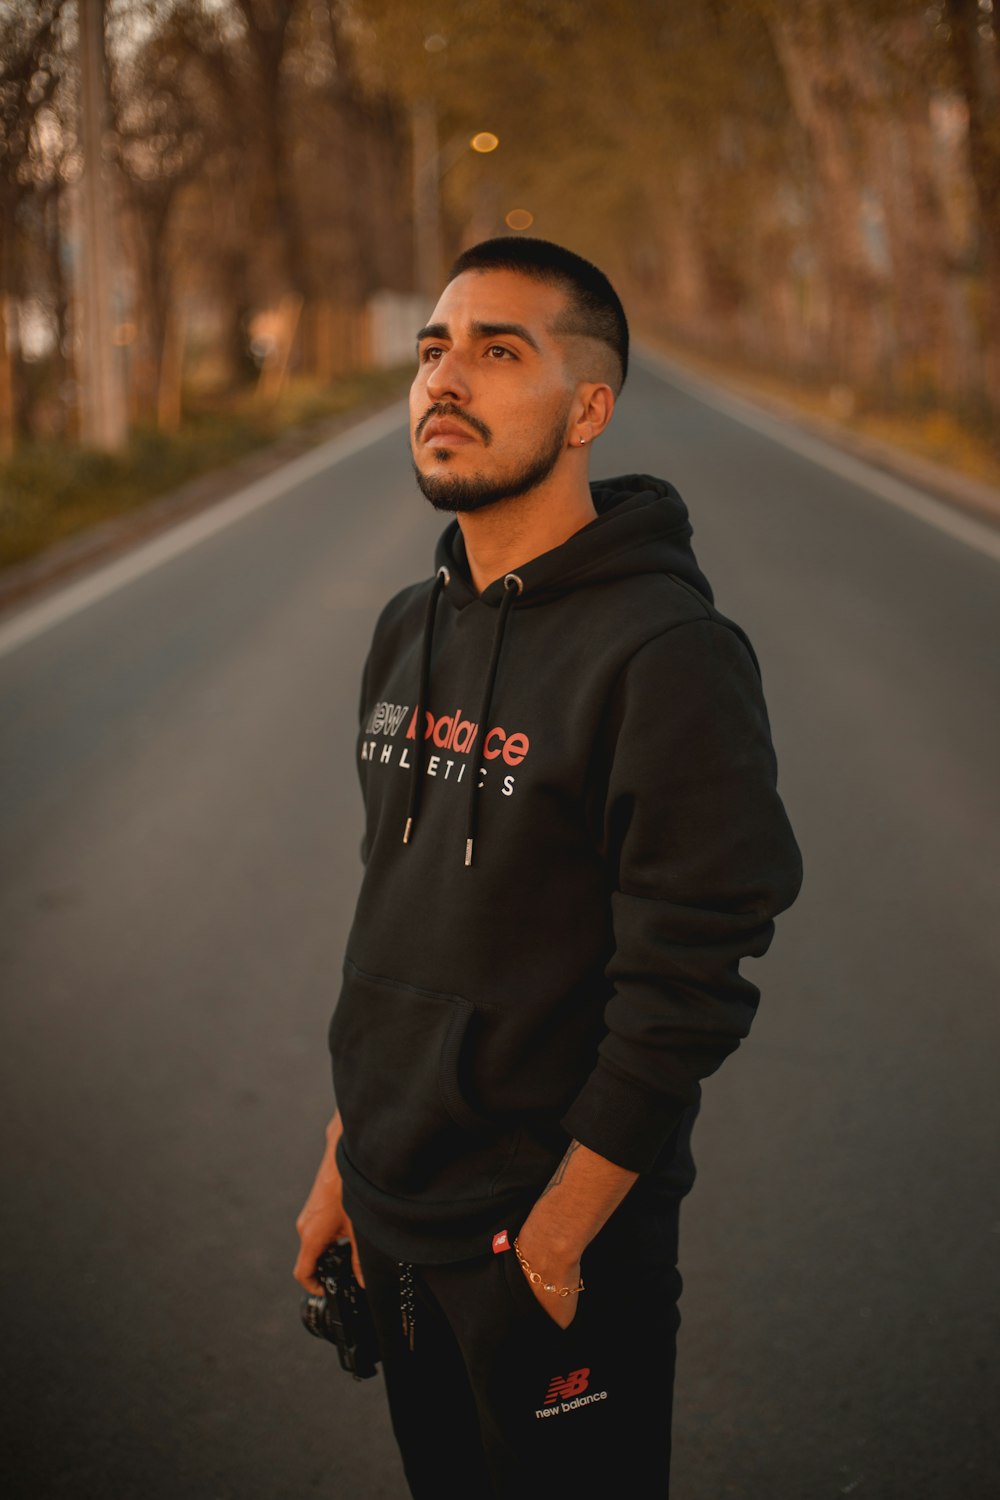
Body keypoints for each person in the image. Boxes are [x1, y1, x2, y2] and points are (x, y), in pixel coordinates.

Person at [294, 236, 802, 1498]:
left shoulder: (667, 652)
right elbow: (402, 924)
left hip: (546, 1238)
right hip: (394, 1208)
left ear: (589, 408)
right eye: (433, 349)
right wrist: (341, 1165)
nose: (444, 380)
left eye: (497, 351)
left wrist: (562, 1233)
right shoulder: (409, 628)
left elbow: (692, 975)